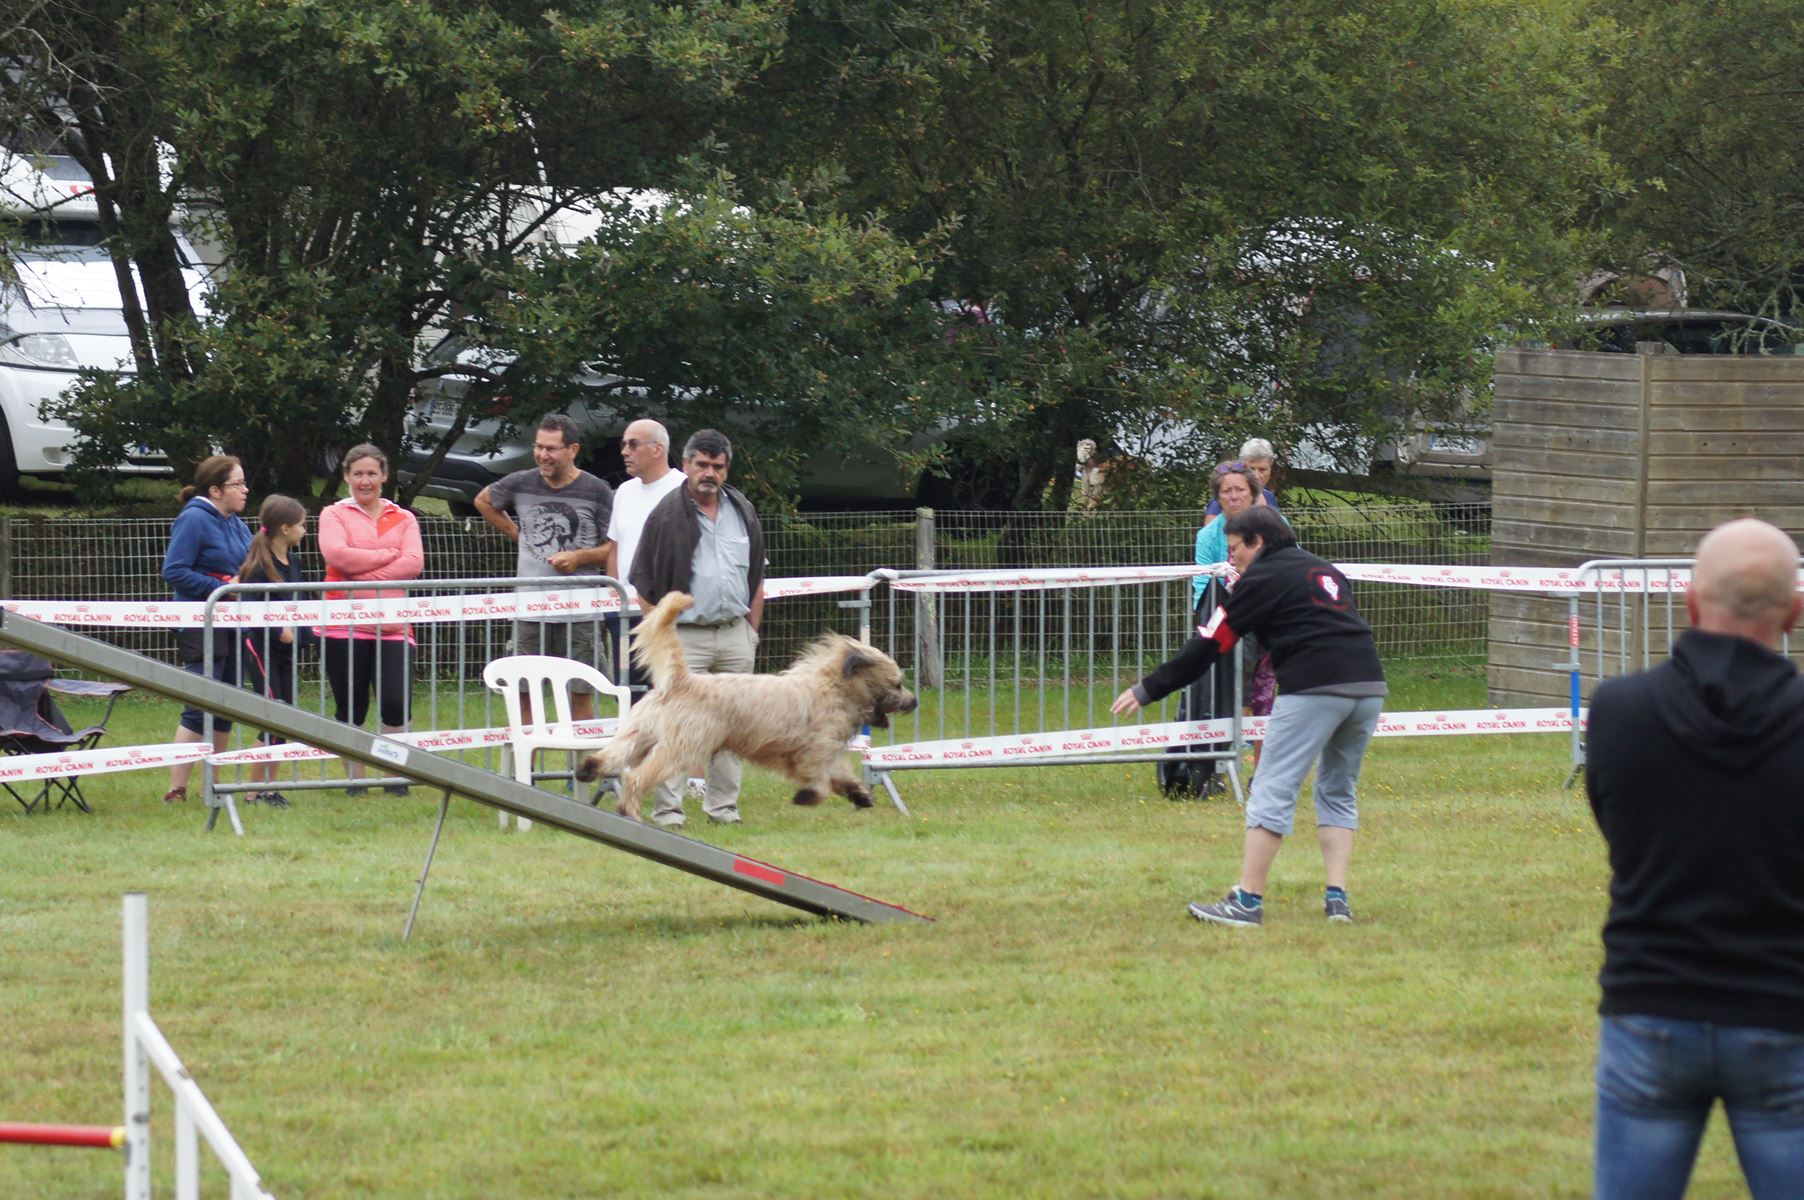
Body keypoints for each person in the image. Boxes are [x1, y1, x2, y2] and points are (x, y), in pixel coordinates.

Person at [1586, 518, 1804, 1199]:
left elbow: (1620, 832)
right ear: (1795, 612)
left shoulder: (1619, 710)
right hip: (1784, 1008)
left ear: (1688, 600)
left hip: (1650, 1003)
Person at [1113, 506, 1385, 927]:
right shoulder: (1322, 568)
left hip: (1315, 686)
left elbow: (1209, 644)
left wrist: (1148, 688)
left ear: (1258, 541)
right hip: (1369, 687)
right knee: (1337, 789)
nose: (1232, 558)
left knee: (1271, 790)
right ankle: (1337, 901)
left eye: (1236, 548)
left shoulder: (1261, 577)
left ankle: (1248, 903)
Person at [629, 428, 765, 828]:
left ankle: (724, 811)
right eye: (701, 465)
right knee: (676, 726)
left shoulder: (743, 511)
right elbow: (643, 583)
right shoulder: (665, 516)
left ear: (726, 469)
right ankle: (668, 812)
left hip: (735, 634)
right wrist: (662, 637)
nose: (709, 473)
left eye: (717, 466)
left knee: (735, 728)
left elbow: (757, 577)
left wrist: (751, 630)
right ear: (685, 465)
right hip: (685, 638)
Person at [474, 413, 615, 721]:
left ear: (572, 450)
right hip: (529, 609)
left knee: (579, 695)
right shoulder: (521, 481)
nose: (542, 455)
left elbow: (615, 548)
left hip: (580, 612)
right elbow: (483, 501)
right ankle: (525, 770)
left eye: (551, 449)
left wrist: (580, 558)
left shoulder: (597, 490)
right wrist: (517, 534)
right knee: (525, 695)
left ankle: (582, 769)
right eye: (539, 447)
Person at [317, 444, 423, 795]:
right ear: (346, 476)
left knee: (396, 702)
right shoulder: (333, 514)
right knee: (352, 704)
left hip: (394, 626)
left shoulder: (404, 517)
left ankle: (395, 779)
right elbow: (337, 555)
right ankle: (357, 782)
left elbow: (413, 563)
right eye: (358, 474)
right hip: (342, 625)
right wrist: (386, 557)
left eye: (372, 473)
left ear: (384, 476)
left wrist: (361, 576)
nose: (365, 481)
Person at [160, 455, 254, 804]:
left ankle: (211, 784)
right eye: (237, 484)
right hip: (201, 625)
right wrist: (221, 589)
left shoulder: (236, 522)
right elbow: (174, 570)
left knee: (227, 703)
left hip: (233, 624)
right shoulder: (194, 519)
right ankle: (177, 788)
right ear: (215, 490)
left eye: (244, 483)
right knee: (200, 705)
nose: (245, 490)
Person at [1192, 460, 1281, 772]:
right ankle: (1213, 768)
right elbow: (1201, 587)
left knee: (1263, 698)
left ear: (1252, 493)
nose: (1233, 496)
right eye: (1226, 491)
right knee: (1219, 697)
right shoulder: (1207, 537)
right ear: (1217, 497)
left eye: (1240, 490)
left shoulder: (1272, 528)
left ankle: (1263, 772)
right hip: (1225, 623)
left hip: (1269, 625)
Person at [236, 495, 312, 809]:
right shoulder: (258, 566)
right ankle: (254, 792)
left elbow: (300, 602)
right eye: (302, 524)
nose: (305, 530)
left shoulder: (293, 562)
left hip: (286, 653)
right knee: (272, 718)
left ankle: (271, 788)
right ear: (284, 528)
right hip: (261, 649)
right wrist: (278, 629)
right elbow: (252, 610)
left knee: (286, 719)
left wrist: (304, 634)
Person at [601, 418, 684, 693]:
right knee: (629, 694)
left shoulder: (684, 489)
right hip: (627, 615)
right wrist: (616, 600)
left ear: (658, 449)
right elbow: (614, 547)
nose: (624, 451)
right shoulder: (623, 492)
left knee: (671, 694)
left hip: (669, 614)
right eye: (624, 444)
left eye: (633, 444)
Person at [1202, 438, 1279, 525]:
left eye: (1263, 469)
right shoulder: (1223, 500)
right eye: (1251, 469)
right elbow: (1210, 535)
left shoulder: (1269, 497)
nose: (1256, 476)